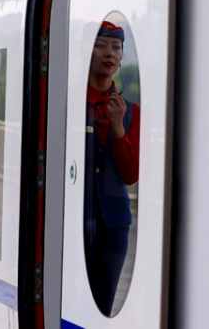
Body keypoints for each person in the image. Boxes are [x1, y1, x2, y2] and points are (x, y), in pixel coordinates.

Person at [83, 20, 140, 316]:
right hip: (77, 220)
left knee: (103, 304)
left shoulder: (132, 112)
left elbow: (130, 175)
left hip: (114, 224)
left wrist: (118, 127)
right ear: (86, 53)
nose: (109, 53)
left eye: (116, 47)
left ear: (121, 57)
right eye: (100, 45)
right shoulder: (69, 104)